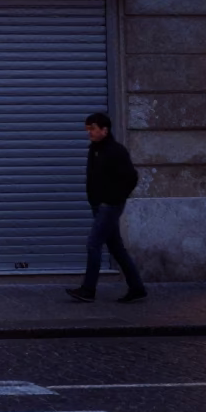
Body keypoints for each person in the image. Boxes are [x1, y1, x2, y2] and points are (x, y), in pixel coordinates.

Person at [66, 112, 147, 304]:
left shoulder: (115, 151)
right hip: (99, 205)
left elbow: (131, 178)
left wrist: (113, 200)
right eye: (88, 129)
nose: (90, 133)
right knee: (116, 248)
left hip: (108, 206)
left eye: (93, 129)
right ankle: (137, 288)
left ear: (105, 130)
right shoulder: (95, 150)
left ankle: (88, 290)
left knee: (93, 244)